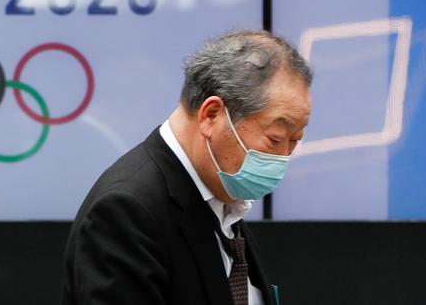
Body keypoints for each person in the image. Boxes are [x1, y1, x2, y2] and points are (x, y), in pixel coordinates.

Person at [61, 30, 313, 305]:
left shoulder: (221, 197)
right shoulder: (128, 211)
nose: (283, 157)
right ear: (212, 115)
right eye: (275, 139)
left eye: (295, 141)